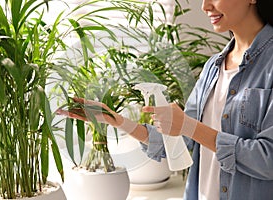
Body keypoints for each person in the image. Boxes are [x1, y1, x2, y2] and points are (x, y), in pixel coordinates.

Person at [57, 0, 273, 199]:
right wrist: (117, 120)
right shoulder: (212, 68)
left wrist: (189, 126)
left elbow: (268, 159)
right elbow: (179, 142)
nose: (205, 6)